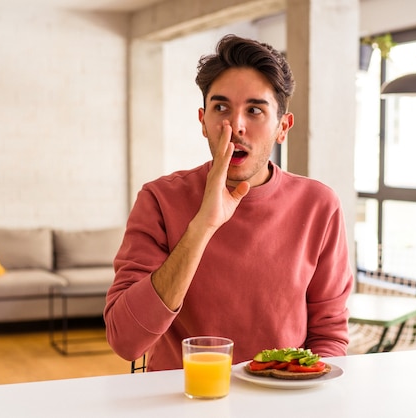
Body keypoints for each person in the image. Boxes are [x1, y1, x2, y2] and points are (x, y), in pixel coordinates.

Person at [104, 34, 354, 371]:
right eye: (221, 108)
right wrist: (202, 227)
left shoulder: (318, 205)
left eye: (254, 110)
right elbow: (126, 340)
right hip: (184, 398)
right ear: (203, 122)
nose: (236, 126)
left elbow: (329, 335)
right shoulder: (159, 200)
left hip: (281, 398)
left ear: (283, 127)